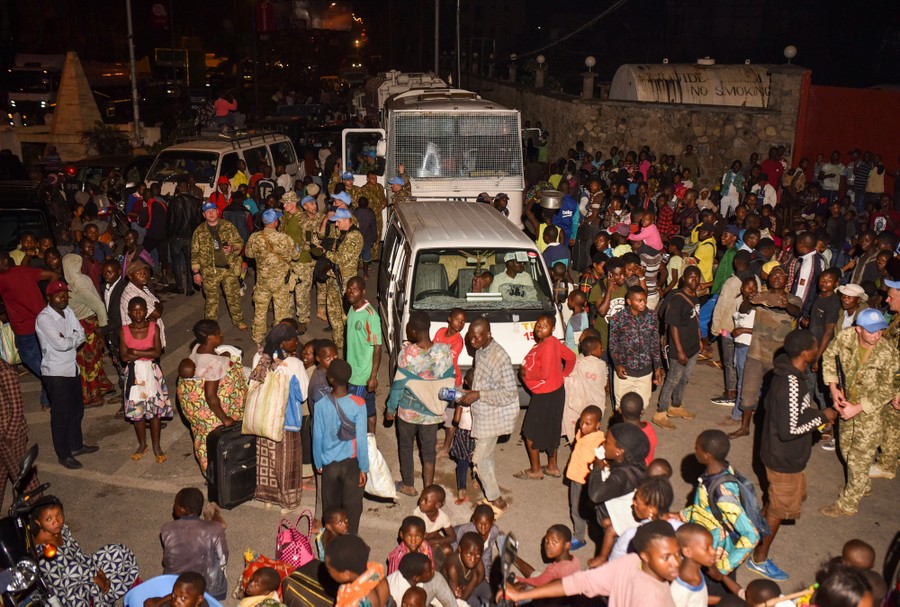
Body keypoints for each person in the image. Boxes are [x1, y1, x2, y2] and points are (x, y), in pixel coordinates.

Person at [749, 329, 837, 581]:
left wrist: (817, 420)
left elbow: (793, 413)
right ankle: (759, 559)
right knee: (778, 509)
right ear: (805, 353)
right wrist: (823, 416)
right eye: (814, 346)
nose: (816, 349)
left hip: (780, 454)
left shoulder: (791, 374)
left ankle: (753, 541)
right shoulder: (790, 382)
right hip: (783, 458)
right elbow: (790, 429)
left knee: (772, 500)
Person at [819, 308, 899, 517]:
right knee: (845, 449)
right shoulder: (845, 337)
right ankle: (861, 484)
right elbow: (829, 357)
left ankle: (848, 504)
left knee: (859, 457)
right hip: (847, 403)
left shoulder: (888, 352)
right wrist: (834, 388)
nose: (876, 335)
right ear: (858, 329)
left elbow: (888, 389)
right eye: (871, 331)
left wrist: (859, 407)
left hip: (869, 412)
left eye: (880, 331)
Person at [504, 520, 679, 607]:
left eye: (677, 554)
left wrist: (523, 595)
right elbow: (580, 581)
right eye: (666, 557)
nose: (676, 562)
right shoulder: (629, 562)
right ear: (645, 556)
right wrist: (522, 595)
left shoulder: (655, 599)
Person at [730, 263, 802, 439]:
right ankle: (745, 427)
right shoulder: (761, 296)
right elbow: (742, 309)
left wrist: (786, 305)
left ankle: (771, 431)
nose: (777, 278)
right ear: (768, 279)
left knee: (776, 396)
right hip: (756, 353)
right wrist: (750, 300)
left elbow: (797, 312)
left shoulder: (792, 299)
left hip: (778, 358)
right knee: (748, 392)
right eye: (773, 275)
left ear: (787, 280)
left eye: (781, 276)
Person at [386, 311, 454, 495]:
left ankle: (408, 485)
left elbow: (398, 386)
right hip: (432, 413)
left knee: (406, 447)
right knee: (428, 451)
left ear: (413, 331)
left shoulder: (408, 354)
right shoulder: (444, 351)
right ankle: (429, 489)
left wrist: (391, 408)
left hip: (408, 412)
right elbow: (450, 383)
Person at [35, 281, 99, 469]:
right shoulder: (44, 318)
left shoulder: (68, 311)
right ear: (48, 297)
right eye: (58, 295)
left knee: (77, 410)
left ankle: (76, 445)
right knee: (61, 415)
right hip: (56, 373)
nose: (63, 298)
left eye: (65, 294)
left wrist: (70, 337)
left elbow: (81, 334)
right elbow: (60, 345)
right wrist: (72, 338)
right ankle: (63, 454)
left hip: (71, 369)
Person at [31, 495, 139, 607]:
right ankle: (103, 596)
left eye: (59, 515)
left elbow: (78, 554)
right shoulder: (42, 551)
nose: (56, 522)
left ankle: (105, 592)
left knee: (119, 552)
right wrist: (94, 578)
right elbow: (62, 581)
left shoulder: (62, 530)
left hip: (85, 568)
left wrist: (98, 571)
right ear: (38, 522)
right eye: (49, 519)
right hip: (68, 591)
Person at [458, 319, 519, 514]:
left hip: (495, 416)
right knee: (487, 456)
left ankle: (496, 499)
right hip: (483, 414)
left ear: (488, 335)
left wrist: (478, 394)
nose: (472, 341)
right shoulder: (481, 349)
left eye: (477, 337)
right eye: (470, 337)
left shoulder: (500, 357)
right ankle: (490, 490)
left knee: (479, 459)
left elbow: (509, 393)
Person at [683, 430, 761, 576]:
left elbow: (751, 535)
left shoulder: (722, 492)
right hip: (704, 548)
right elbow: (706, 509)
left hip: (716, 558)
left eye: (697, 447)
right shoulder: (717, 472)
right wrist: (682, 515)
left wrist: (723, 568)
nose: (695, 450)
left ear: (707, 455)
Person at [249, 323, 309, 510]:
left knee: (267, 459)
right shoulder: (294, 364)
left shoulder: (258, 357)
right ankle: (287, 502)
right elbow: (303, 395)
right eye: (294, 339)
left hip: (263, 419)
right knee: (287, 462)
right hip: (287, 420)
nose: (297, 343)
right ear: (284, 342)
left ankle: (268, 498)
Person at [178, 320, 246, 473]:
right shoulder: (213, 364)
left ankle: (210, 472)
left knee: (202, 439)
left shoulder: (198, 348)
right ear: (210, 337)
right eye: (218, 333)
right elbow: (210, 396)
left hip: (200, 402)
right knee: (212, 441)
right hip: (210, 410)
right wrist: (225, 419)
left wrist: (224, 356)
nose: (221, 334)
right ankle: (216, 474)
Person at [313, 359, 369, 535]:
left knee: (331, 510)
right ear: (349, 378)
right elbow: (361, 440)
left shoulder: (321, 405)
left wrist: (318, 462)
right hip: (352, 464)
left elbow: (317, 436)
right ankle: (350, 540)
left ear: (330, 379)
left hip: (329, 464)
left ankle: (331, 544)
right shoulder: (359, 404)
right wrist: (364, 468)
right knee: (352, 509)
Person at [517, 313, 575, 480]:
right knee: (552, 429)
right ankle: (552, 467)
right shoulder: (554, 342)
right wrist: (563, 374)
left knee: (529, 432)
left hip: (544, 394)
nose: (540, 328)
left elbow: (544, 373)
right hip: (556, 391)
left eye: (545, 326)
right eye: (538, 325)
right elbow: (570, 357)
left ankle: (535, 470)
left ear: (553, 328)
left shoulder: (548, 346)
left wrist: (526, 372)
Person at [587, 423, 651, 567]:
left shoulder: (624, 475)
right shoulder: (633, 463)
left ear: (619, 451)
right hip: (615, 520)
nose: (603, 444)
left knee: (613, 564)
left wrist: (597, 467)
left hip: (619, 535)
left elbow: (596, 494)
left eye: (608, 442)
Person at [0, 251, 57, 409]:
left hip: (24, 328)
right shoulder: (26, 271)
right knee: (44, 360)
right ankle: (47, 399)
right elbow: (52, 275)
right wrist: (50, 301)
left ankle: (53, 385)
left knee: (31, 359)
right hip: (42, 323)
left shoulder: (2, 278)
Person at [120, 296, 171, 462]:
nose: (138, 313)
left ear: (146, 310)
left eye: (141, 309)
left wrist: (135, 352)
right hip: (135, 375)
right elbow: (123, 356)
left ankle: (157, 445)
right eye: (134, 310)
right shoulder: (124, 331)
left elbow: (157, 352)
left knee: (155, 413)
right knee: (138, 413)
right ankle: (142, 444)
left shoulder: (153, 328)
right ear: (129, 312)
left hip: (152, 374)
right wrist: (143, 353)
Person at [61, 253, 114, 407]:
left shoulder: (77, 286)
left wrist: (103, 329)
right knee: (94, 359)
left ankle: (92, 396)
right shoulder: (83, 278)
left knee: (86, 362)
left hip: (86, 326)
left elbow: (99, 305)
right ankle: (103, 385)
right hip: (90, 323)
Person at [654, 265, 701, 430]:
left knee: (684, 378)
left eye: (697, 277)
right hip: (678, 348)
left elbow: (695, 318)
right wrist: (680, 351)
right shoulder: (678, 298)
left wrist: (699, 339)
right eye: (690, 277)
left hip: (693, 346)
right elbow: (673, 326)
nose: (693, 280)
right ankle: (660, 412)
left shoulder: (694, 295)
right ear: (683, 278)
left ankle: (676, 406)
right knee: (673, 378)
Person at [160, 487, 229, 599]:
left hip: (175, 584)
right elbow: (223, 559)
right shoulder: (215, 530)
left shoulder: (166, 529)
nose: (173, 507)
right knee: (217, 560)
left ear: (182, 510)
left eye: (175, 504)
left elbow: (166, 561)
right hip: (206, 588)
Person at [245, 208, 300, 345]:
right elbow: (295, 256)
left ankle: (257, 337)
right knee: (281, 311)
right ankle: (278, 338)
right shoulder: (284, 238)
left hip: (263, 281)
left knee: (260, 311)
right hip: (280, 282)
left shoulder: (254, 237)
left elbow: (249, 254)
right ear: (275, 222)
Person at [191, 201, 247, 330]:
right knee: (211, 300)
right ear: (204, 215)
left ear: (217, 212)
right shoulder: (199, 231)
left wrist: (232, 248)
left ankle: (238, 320)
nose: (210, 213)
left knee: (233, 297)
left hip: (229, 269)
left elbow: (239, 242)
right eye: (207, 211)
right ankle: (211, 325)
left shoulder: (228, 226)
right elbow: (194, 253)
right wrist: (196, 272)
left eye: (213, 210)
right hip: (210, 271)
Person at [610, 286, 663, 409]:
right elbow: (613, 344)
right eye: (639, 300)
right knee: (621, 408)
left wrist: (657, 367)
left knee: (642, 406)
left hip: (645, 372)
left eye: (644, 299)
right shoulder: (618, 318)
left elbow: (655, 342)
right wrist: (617, 364)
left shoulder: (651, 316)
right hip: (624, 372)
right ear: (629, 301)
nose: (643, 303)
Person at [320, 208, 363, 349]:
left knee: (345, 315)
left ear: (346, 220)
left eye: (338, 221)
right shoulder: (343, 234)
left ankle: (347, 343)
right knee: (333, 312)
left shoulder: (354, 237)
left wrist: (327, 254)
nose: (336, 225)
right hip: (334, 277)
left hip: (346, 281)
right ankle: (338, 341)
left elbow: (342, 258)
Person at [345, 277, 382, 433]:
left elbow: (377, 347)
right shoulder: (352, 309)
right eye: (349, 288)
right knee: (369, 410)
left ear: (363, 291)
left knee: (352, 414)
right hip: (352, 371)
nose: (351, 292)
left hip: (361, 376)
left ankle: (358, 444)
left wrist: (373, 376)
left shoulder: (371, 315)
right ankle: (371, 442)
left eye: (355, 289)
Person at [281, 192, 322, 333]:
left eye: (286, 203)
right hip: (288, 260)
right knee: (289, 288)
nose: (284, 205)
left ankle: (303, 319)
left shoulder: (304, 220)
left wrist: (298, 248)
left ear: (293, 203)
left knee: (302, 291)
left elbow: (312, 242)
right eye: (284, 203)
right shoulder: (286, 216)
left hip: (302, 260)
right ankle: (289, 317)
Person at [565, 405, 604, 552]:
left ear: (597, 425)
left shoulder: (599, 442)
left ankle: (579, 537)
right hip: (576, 478)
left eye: (588, 423)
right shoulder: (582, 434)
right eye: (581, 422)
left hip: (585, 482)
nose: (583, 426)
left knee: (577, 509)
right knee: (580, 507)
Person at [0, 358, 36, 511]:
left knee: (26, 482)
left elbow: (17, 408)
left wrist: (9, 436)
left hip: (9, 437)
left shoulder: (5, 371)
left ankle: (43, 519)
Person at [325, 534, 389, 607]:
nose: (328, 572)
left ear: (346, 575)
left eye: (329, 569)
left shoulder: (354, 603)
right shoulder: (379, 575)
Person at [167, 177, 204, 295]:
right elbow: (199, 220)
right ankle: (189, 288)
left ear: (178, 187)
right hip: (191, 236)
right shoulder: (196, 201)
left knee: (176, 262)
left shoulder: (173, 201)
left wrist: (170, 235)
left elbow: (170, 221)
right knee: (190, 262)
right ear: (188, 186)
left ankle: (179, 286)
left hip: (177, 236)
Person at [120, 259, 167, 350]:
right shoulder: (132, 294)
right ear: (130, 276)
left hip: (149, 336)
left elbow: (159, 306)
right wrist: (157, 306)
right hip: (141, 340)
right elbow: (157, 313)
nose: (143, 276)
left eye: (145, 273)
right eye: (139, 274)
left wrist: (158, 306)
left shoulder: (142, 287)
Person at [671, 524, 717, 607]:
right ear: (687, 552)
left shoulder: (696, 571)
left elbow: (699, 599)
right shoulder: (679, 590)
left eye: (712, 546)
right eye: (707, 548)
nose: (714, 552)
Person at [442, 531, 487, 607]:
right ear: (460, 549)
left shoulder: (475, 554)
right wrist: (473, 580)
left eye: (478, 556)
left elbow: (482, 576)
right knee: (483, 604)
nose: (473, 559)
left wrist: (467, 586)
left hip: (468, 587)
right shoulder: (452, 567)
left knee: (494, 594)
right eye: (469, 554)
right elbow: (458, 600)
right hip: (453, 594)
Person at [354, 197, 377, 279]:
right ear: (367, 204)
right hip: (367, 240)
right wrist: (374, 238)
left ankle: (355, 274)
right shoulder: (371, 213)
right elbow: (374, 227)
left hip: (356, 239)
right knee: (366, 259)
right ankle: (365, 274)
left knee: (356, 258)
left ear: (358, 204)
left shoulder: (355, 213)